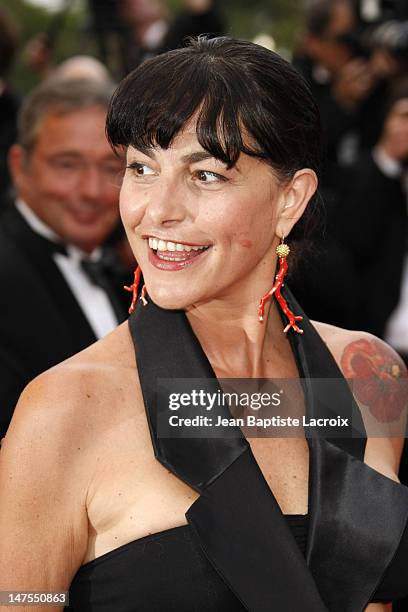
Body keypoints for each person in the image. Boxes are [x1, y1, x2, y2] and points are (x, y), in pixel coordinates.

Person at [0, 37, 407, 612]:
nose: (156, 209)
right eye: (141, 167)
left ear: (290, 199)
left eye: (207, 175)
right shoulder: (65, 411)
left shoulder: (370, 375)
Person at [0, 77, 128, 439]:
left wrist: (294, 409)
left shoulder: (128, 270)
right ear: (19, 166)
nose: (91, 190)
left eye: (110, 168)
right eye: (67, 165)